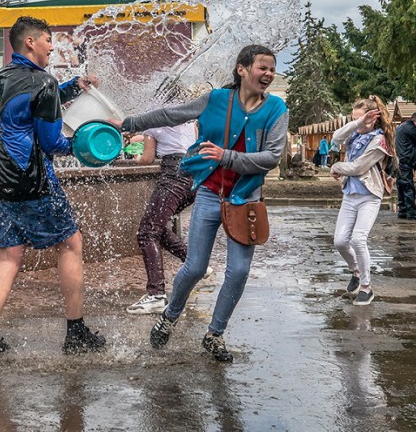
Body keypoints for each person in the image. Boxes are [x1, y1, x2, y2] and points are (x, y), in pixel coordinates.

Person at [114, 44, 288, 362]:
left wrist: (227, 157)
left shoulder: (276, 109)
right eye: (263, 67)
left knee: (238, 272)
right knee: (194, 266)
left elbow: (272, 157)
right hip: (209, 192)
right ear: (242, 70)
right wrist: (130, 123)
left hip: (245, 200)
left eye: (272, 69)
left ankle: (214, 335)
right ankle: (169, 317)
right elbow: (171, 114)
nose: (268, 74)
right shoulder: (216, 100)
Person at [0, 16, 105, 359]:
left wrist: (72, 88)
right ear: (30, 43)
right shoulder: (44, 82)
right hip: (30, 181)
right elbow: (50, 141)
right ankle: (76, 332)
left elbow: (25, 109)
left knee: (9, 255)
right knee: (71, 243)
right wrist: (81, 144)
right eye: (48, 40)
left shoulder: (2, 77)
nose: (52, 46)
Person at [124, 123, 215, 315]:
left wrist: (137, 158)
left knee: (147, 233)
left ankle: (156, 295)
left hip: (173, 175)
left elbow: (147, 158)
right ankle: (198, 265)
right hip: (194, 177)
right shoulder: (190, 122)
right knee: (155, 227)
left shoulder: (153, 123)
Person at [329, 96, 396, 307]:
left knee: (358, 239)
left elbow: (359, 167)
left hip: (369, 196)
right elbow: (335, 138)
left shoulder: (379, 140)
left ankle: (367, 287)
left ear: (373, 118)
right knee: (340, 241)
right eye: (354, 118)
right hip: (350, 195)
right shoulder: (354, 134)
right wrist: (358, 123)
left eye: (362, 119)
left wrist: (337, 167)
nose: (357, 123)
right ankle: (356, 272)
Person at [394, 112, 416, 220]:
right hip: (406, 161)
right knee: (408, 187)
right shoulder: (411, 128)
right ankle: (411, 213)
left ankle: (402, 211)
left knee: (402, 186)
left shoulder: (402, 126)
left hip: (401, 160)